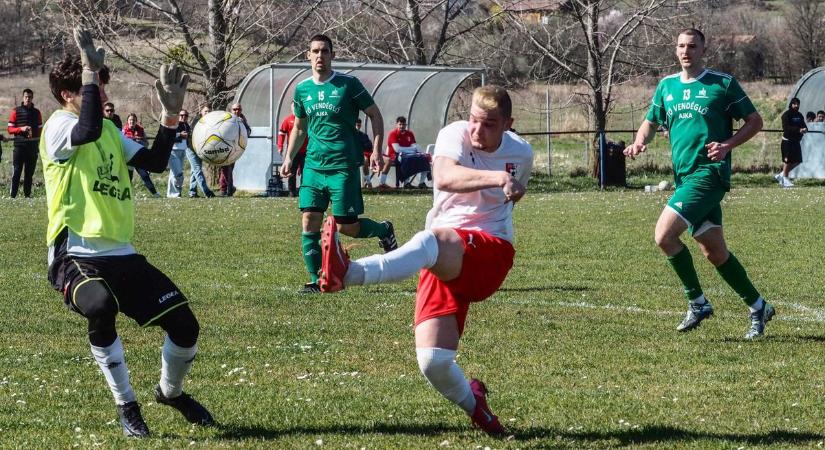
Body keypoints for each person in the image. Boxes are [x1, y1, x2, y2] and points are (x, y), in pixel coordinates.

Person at [318, 85, 532, 435]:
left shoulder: (521, 152)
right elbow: (445, 177)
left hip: (490, 252)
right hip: (442, 253)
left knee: (431, 240)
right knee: (433, 360)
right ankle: (478, 408)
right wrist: (498, 178)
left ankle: (350, 272)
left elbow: (513, 195)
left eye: (490, 124)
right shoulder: (453, 135)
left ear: (508, 123)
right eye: (474, 121)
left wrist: (508, 184)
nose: (478, 131)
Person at [39, 28, 213, 438]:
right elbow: (85, 131)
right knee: (100, 307)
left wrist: (170, 118)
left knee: (186, 326)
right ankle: (127, 405)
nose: (101, 91)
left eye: (101, 83)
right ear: (69, 93)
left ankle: (170, 393)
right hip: (75, 254)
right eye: (94, 84)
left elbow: (153, 161)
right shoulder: (59, 126)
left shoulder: (111, 131)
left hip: (122, 253)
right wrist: (87, 70)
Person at [624, 28, 774, 340]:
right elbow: (651, 122)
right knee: (714, 252)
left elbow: (755, 121)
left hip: (709, 175)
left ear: (703, 49)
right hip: (684, 178)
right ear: (675, 50)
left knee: (664, 236)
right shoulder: (666, 87)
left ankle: (697, 301)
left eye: (692, 46)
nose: (685, 51)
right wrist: (639, 142)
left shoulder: (722, 84)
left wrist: (728, 145)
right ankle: (759, 306)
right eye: (680, 45)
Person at [280, 34, 398, 294]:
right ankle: (315, 279)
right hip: (313, 165)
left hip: (343, 166)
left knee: (346, 226)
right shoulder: (302, 90)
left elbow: (375, 115)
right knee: (309, 219)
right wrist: (289, 157)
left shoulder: (348, 85)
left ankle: (383, 229)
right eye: (315, 51)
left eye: (324, 51)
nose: (319, 56)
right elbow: (299, 127)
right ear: (307, 55)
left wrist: (377, 150)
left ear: (332, 55)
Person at [7, 88, 43, 197]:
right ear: (23, 97)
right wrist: (21, 129)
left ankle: (27, 195)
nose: (28, 99)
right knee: (17, 172)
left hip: (32, 147)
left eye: (30, 97)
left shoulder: (37, 113)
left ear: (32, 98)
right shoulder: (15, 111)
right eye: (26, 97)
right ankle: (13, 196)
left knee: (29, 173)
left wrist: (37, 141)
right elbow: (10, 129)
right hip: (19, 147)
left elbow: (40, 130)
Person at [122, 113, 160, 197]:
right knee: (128, 177)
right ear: (127, 121)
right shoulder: (123, 131)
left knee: (144, 175)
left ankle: (155, 193)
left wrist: (139, 141)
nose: (132, 121)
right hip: (128, 157)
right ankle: (125, 194)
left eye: (133, 120)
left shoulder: (141, 130)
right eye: (130, 120)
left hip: (138, 156)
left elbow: (146, 144)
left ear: (136, 121)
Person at [385, 115, 428, 189]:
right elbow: (397, 150)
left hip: (409, 155)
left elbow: (415, 147)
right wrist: (412, 149)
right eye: (400, 124)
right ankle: (406, 183)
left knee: (425, 159)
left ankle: (421, 183)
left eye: (403, 124)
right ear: (397, 124)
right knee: (407, 160)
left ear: (406, 125)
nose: (402, 126)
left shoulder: (410, 133)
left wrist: (411, 149)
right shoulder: (393, 134)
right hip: (394, 156)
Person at [219, 102, 250, 196]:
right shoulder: (226, 118)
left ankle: (225, 189)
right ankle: (228, 188)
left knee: (229, 168)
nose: (237, 111)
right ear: (231, 110)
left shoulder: (243, 119)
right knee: (225, 168)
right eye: (235, 109)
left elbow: (248, 132)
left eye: (239, 109)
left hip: (236, 148)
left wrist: (243, 123)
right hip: (225, 146)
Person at [776, 97, 805, 188]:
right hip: (787, 141)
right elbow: (786, 128)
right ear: (791, 104)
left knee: (797, 161)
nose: (796, 105)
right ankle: (785, 179)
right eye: (795, 104)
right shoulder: (786, 115)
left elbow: (803, 125)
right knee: (788, 161)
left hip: (796, 141)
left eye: (798, 104)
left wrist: (805, 129)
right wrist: (798, 130)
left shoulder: (800, 115)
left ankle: (781, 175)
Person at [187, 105, 215, 198]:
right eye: (205, 111)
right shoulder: (197, 121)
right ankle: (206, 192)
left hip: (200, 149)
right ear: (201, 112)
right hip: (191, 149)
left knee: (194, 170)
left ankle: (192, 192)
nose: (207, 113)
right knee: (197, 170)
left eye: (209, 111)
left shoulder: (210, 121)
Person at [277, 113, 307, 197]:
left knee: (305, 172)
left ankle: (304, 191)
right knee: (291, 171)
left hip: (305, 151)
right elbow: (281, 133)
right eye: (293, 106)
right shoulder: (287, 120)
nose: (295, 109)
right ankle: (291, 191)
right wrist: (280, 146)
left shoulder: (306, 119)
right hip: (293, 151)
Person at [167, 109, 189, 197]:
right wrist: (180, 135)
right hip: (173, 151)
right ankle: (175, 194)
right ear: (178, 116)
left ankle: (172, 193)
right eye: (181, 115)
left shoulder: (186, 125)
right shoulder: (174, 124)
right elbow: (169, 136)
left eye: (186, 116)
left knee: (173, 173)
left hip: (183, 151)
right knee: (178, 173)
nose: (183, 117)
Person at [355, 118, 374, 188]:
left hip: (366, 153)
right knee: (364, 160)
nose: (357, 127)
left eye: (359, 125)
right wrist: (362, 145)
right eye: (356, 125)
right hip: (354, 155)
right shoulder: (350, 135)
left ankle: (382, 183)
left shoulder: (363, 135)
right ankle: (368, 183)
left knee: (386, 160)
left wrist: (361, 145)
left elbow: (369, 145)